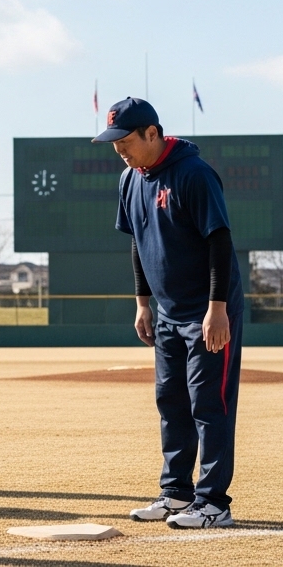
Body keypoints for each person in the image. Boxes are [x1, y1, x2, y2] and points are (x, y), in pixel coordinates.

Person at [95, 97, 244, 529]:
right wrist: (143, 302)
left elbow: (219, 241)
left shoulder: (194, 173)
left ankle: (214, 502)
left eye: (125, 140)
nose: (119, 148)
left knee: (208, 405)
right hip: (167, 311)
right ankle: (176, 493)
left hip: (207, 311)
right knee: (171, 401)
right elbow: (137, 242)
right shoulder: (129, 179)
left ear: (152, 134)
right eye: (113, 142)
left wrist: (217, 309)